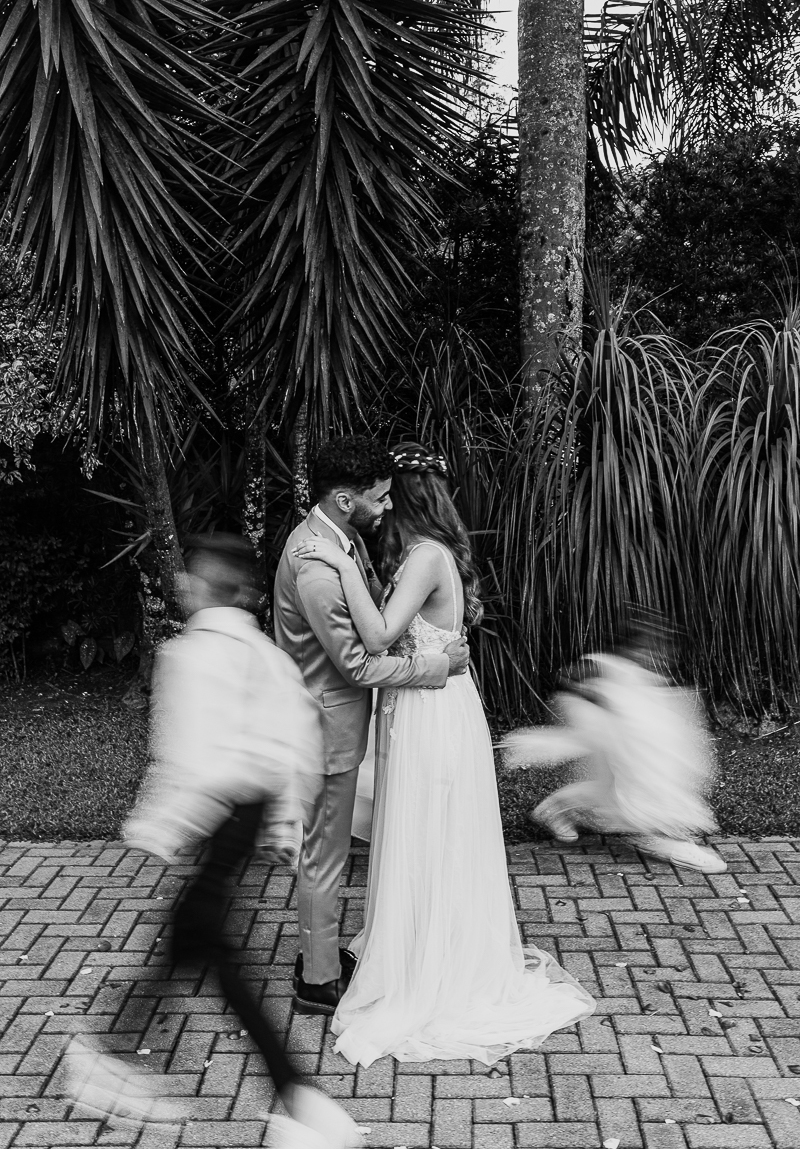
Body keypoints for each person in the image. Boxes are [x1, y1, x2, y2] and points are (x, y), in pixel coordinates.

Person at [292, 444, 596, 1067]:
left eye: (387, 497)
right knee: (424, 831)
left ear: (403, 501)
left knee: (428, 831)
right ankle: (419, 945)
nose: (380, 508)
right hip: (423, 703)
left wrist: (342, 563)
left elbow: (377, 636)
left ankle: (431, 963)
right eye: (374, 497)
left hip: (430, 712)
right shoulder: (420, 556)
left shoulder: (425, 556)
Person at [65, 534, 362, 1149]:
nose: (185, 585)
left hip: (220, 819)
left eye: (193, 577)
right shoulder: (268, 657)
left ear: (204, 588)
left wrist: (162, 825)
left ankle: (110, 1055)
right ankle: (295, 1101)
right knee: (211, 956)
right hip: (239, 824)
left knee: (200, 950)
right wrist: (284, 823)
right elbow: (297, 746)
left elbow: (187, 755)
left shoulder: (190, 655)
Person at [274, 437, 470, 1017]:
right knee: (324, 856)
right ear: (344, 499)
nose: (386, 506)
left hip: (337, 723)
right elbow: (357, 664)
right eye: (378, 497)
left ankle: (322, 957)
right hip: (324, 731)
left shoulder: (343, 539)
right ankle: (318, 981)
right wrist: (435, 667)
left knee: (329, 849)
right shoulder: (316, 566)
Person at [502, 611, 727, 874]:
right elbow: (565, 679)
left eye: (659, 649)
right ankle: (657, 834)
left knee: (624, 778)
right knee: (635, 771)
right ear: (627, 646)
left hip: (616, 731)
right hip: (595, 722)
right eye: (645, 647)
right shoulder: (602, 664)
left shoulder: (645, 674)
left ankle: (557, 808)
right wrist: (596, 696)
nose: (654, 655)